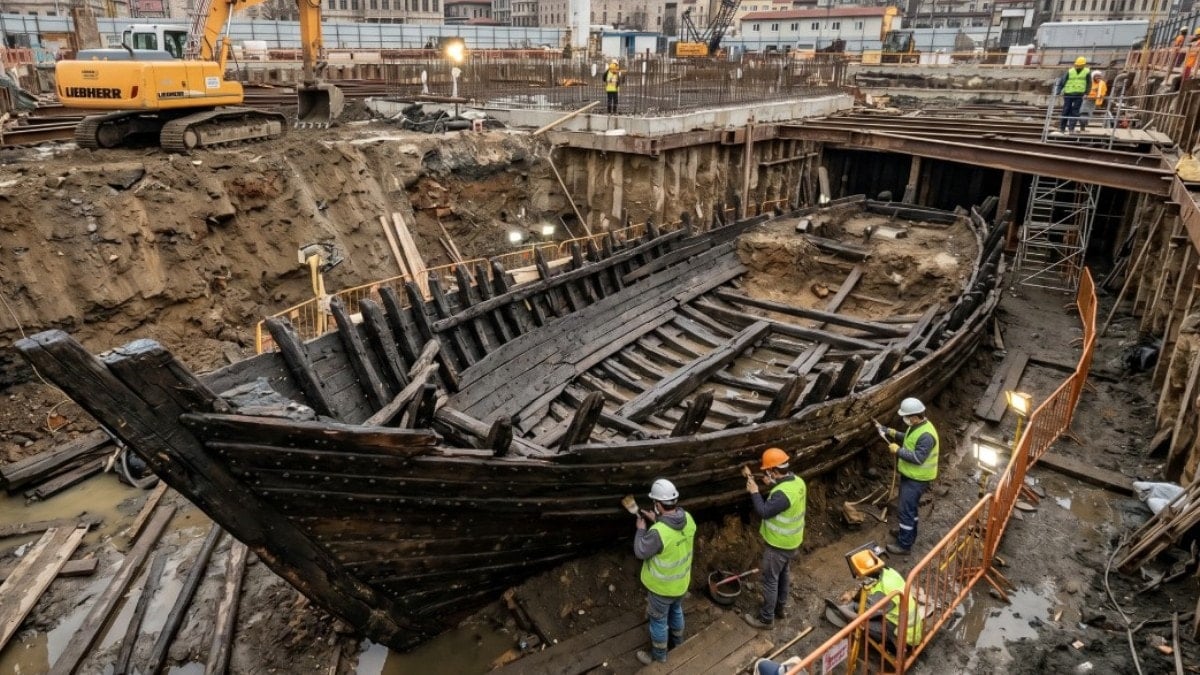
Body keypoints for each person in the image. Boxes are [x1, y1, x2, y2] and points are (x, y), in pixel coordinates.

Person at [634, 478, 696, 665]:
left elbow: (641, 551)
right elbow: (674, 533)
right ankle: (678, 644)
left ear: (658, 505)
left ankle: (659, 657)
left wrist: (641, 530)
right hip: (681, 584)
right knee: (676, 611)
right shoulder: (689, 519)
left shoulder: (659, 532)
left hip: (661, 589)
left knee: (658, 622)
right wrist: (659, 520)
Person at [743, 447, 807, 630]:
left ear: (774, 471)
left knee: (770, 580)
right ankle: (780, 609)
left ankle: (766, 619)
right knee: (783, 575)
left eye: (768, 471)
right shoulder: (798, 482)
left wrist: (755, 492)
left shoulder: (782, 494)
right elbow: (786, 498)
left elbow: (764, 512)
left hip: (778, 545)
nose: (766, 473)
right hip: (793, 542)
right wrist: (772, 484)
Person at [876, 397, 939, 556]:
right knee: (910, 510)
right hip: (911, 476)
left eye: (907, 417)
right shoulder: (918, 426)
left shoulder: (926, 435)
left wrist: (898, 451)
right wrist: (890, 432)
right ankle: (908, 535)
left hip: (917, 479)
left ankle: (904, 545)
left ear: (915, 417)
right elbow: (909, 439)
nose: (905, 420)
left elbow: (918, 458)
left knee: (905, 510)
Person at [837, 550, 924, 653]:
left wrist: (843, 610)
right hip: (912, 629)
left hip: (905, 639)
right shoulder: (889, 572)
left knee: (861, 624)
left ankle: (892, 649)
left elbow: (866, 615)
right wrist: (854, 596)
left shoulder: (882, 591)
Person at [1055, 57, 1091, 134]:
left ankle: (1071, 129)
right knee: (1066, 110)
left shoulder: (1087, 72)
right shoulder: (1070, 71)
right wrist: (1058, 91)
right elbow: (1062, 82)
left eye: (1080, 65)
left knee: (1075, 112)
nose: (1078, 66)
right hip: (1068, 94)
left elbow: (1089, 83)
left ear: (1084, 65)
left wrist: (1086, 93)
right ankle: (1062, 128)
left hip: (1079, 94)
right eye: (1077, 65)